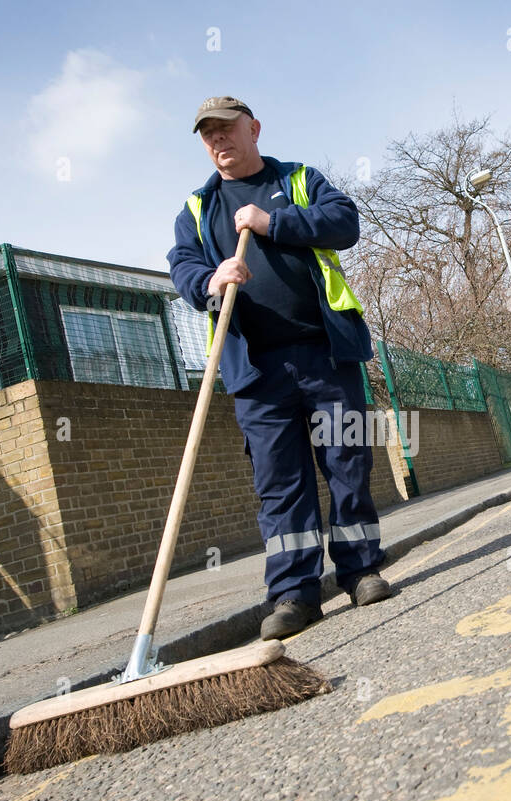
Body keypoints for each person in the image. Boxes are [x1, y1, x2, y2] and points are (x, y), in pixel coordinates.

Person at [167, 96, 392, 639]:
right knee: (279, 484)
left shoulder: (298, 180)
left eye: (228, 129)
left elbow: (344, 223)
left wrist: (273, 222)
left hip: (325, 355)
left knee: (346, 463)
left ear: (254, 129)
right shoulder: (198, 209)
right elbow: (182, 264)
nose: (219, 140)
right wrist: (209, 281)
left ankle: (361, 571)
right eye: (208, 134)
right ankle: (294, 594)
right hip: (256, 372)